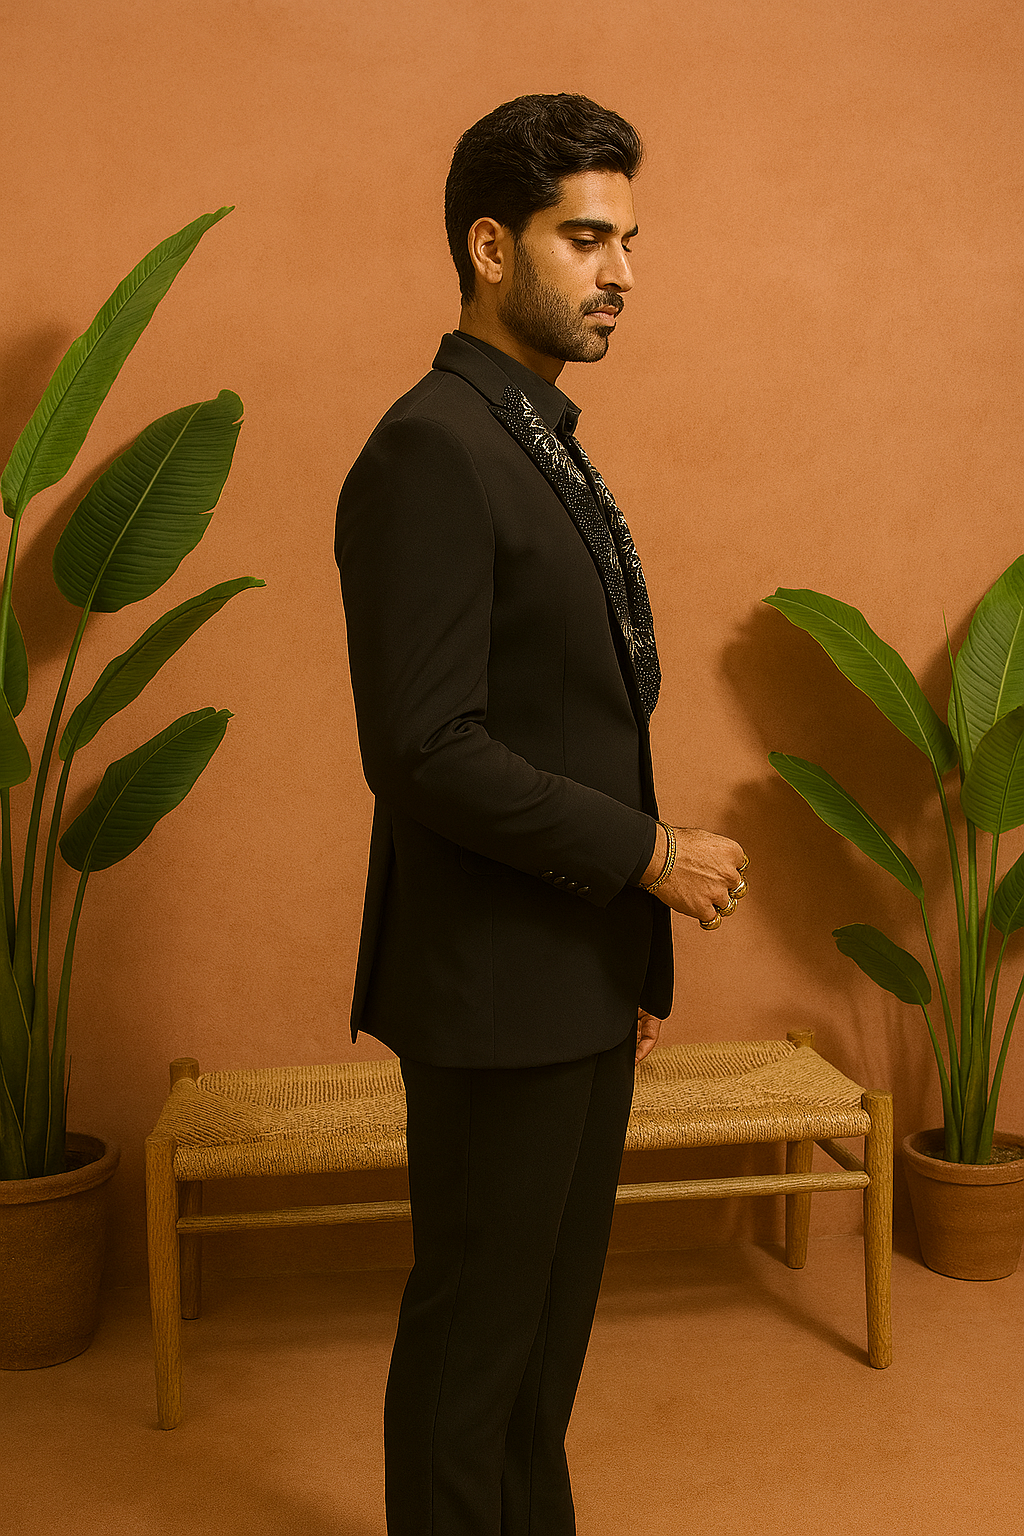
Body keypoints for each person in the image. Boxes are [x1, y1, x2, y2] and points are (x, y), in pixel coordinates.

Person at [335, 92, 747, 1536]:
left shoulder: (539, 437)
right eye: (586, 237)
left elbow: (570, 717)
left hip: (571, 978)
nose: (620, 270)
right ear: (490, 243)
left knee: (539, 1371)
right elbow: (429, 750)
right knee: (474, 1361)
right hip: (490, 991)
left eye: (630, 239)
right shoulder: (432, 449)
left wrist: (624, 954)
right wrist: (649, 858)